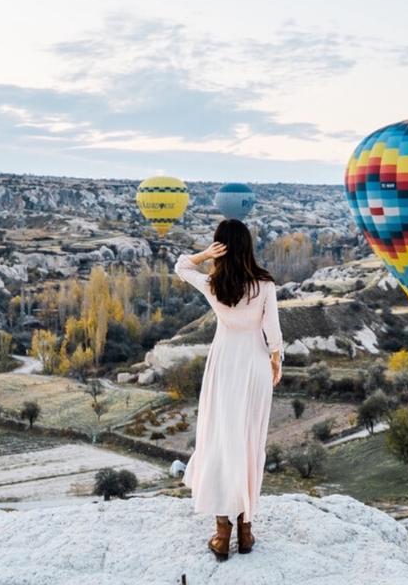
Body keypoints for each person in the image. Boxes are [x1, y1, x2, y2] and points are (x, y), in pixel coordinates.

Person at [174, 219, 283, 560]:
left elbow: (180, 265)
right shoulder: (264, 285)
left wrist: (205, 254)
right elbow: (273, 333)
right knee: (249, 444)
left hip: (224, 365)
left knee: (222, 441)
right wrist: (276, 362)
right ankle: (246, 531)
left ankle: (223, 535)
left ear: (221, 247)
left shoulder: (213, 283)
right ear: (248, 246)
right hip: (255, 366)